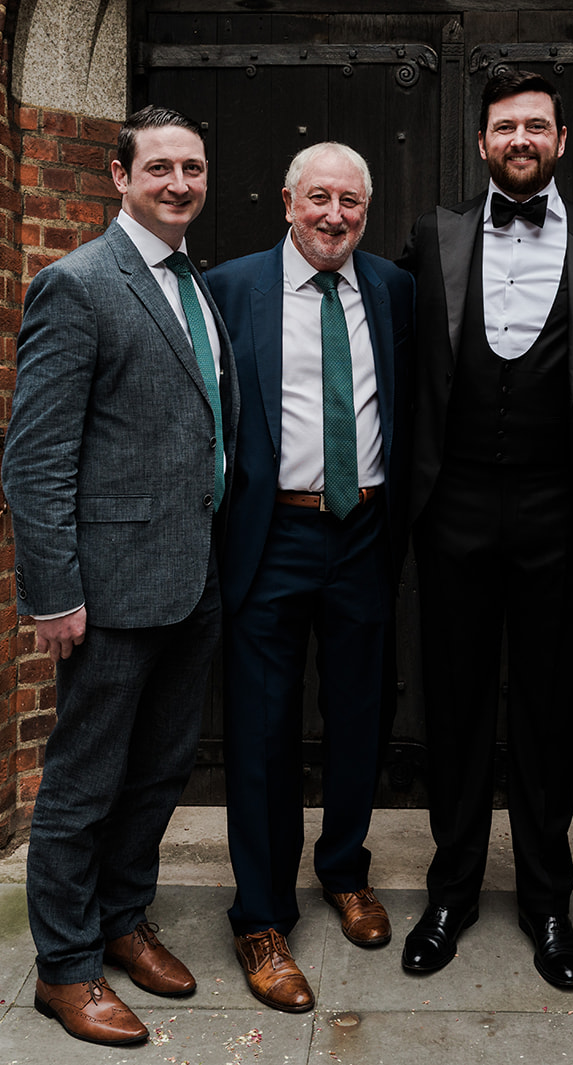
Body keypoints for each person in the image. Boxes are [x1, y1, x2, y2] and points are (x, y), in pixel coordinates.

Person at [397, 70, 573, 989]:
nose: (521, 139)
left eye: (536, 125)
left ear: (562, 140)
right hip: (453, 503)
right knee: (454, 706)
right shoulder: (435, 234)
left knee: (546, 711)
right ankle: (451, 890)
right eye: (506, 126)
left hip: (559, 509)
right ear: (484, 141)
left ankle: (546, 899)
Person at [2, 105, 237, 1045]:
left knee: (159, 769)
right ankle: (64, 967)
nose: (179, 183)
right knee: (84, 780)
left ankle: (120, 919)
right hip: (107, 585)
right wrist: (54, 590)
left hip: (192, 574)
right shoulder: (79, 283)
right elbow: (35, 454)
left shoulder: (197, 283)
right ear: (119, 176)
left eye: (194, 167)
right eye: (161, 169)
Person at [203, 143, 415, 1014]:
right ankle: (261, 913)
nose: (335, 216)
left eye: (352, 203)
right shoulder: (230, 288)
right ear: (288, 200)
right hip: (269, 533)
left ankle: (346, 871)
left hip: (363, 530)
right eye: (320, 198)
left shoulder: (394, 290)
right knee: (261, 730)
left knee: (361, 715)